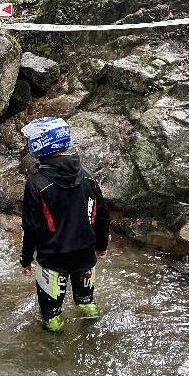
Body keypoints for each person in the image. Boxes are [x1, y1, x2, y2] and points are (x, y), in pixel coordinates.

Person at [20, 116, 110, 333]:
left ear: (39, 144)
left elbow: (31, 227)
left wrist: (26, 258)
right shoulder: (88, 176)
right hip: (85, 254)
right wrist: (101, 246)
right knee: (87, 303)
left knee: (51, 315)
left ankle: (53, 349)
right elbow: (101, 215)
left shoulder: (36, 183)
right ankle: (92, 337)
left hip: (53, 259)